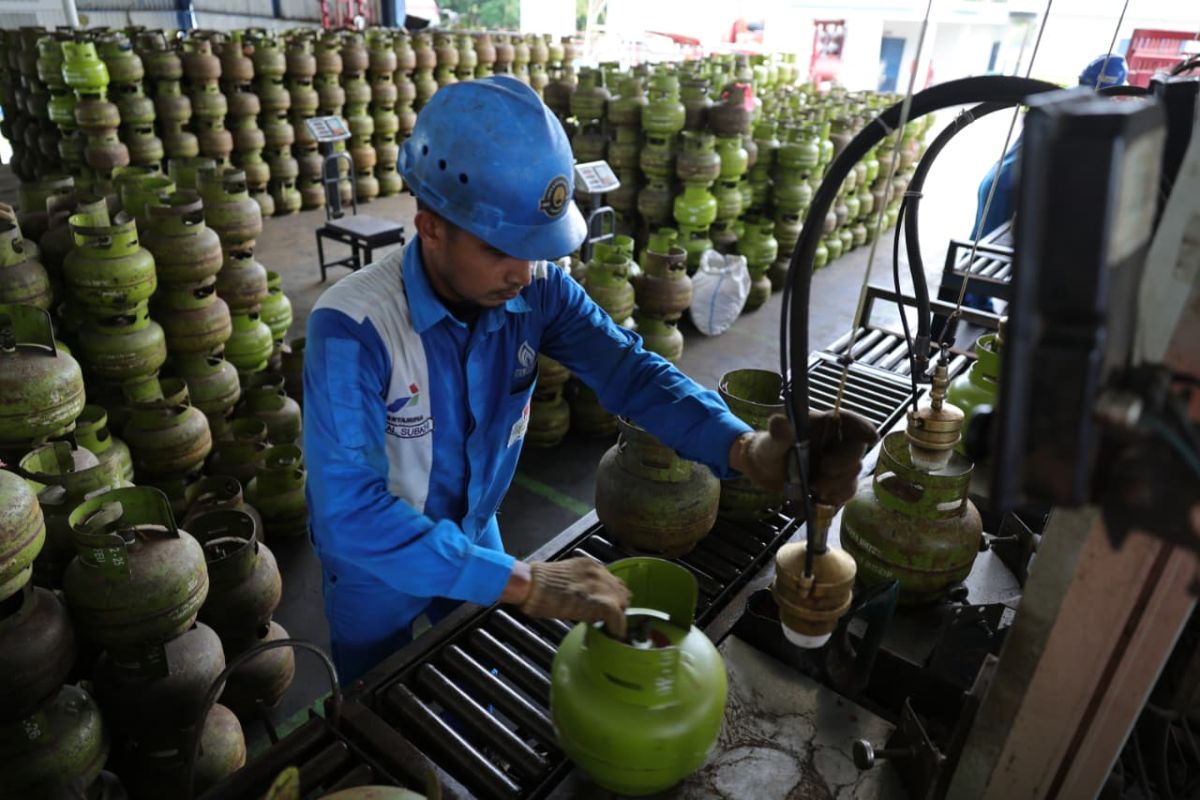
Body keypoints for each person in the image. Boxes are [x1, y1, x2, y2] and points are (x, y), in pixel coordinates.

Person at [303, 76, 879, 681]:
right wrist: (523, 579)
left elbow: (630, 371)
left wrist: (744, 448)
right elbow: (352, 515)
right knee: (378, 705)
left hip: (475, 528)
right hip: (377, 565)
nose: (524, 273)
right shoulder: (353, 328)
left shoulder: (540, 291)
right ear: (431, 227)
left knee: (482, 673)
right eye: (502, 250)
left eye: (536, 250)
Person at [960, 54, 1129, 312]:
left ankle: (970, 302)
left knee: (979, 246)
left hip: (998, 178)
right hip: (1006, 185)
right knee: (982, 254)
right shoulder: (1081, 111)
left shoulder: (1064, 100)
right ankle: (972, 306)